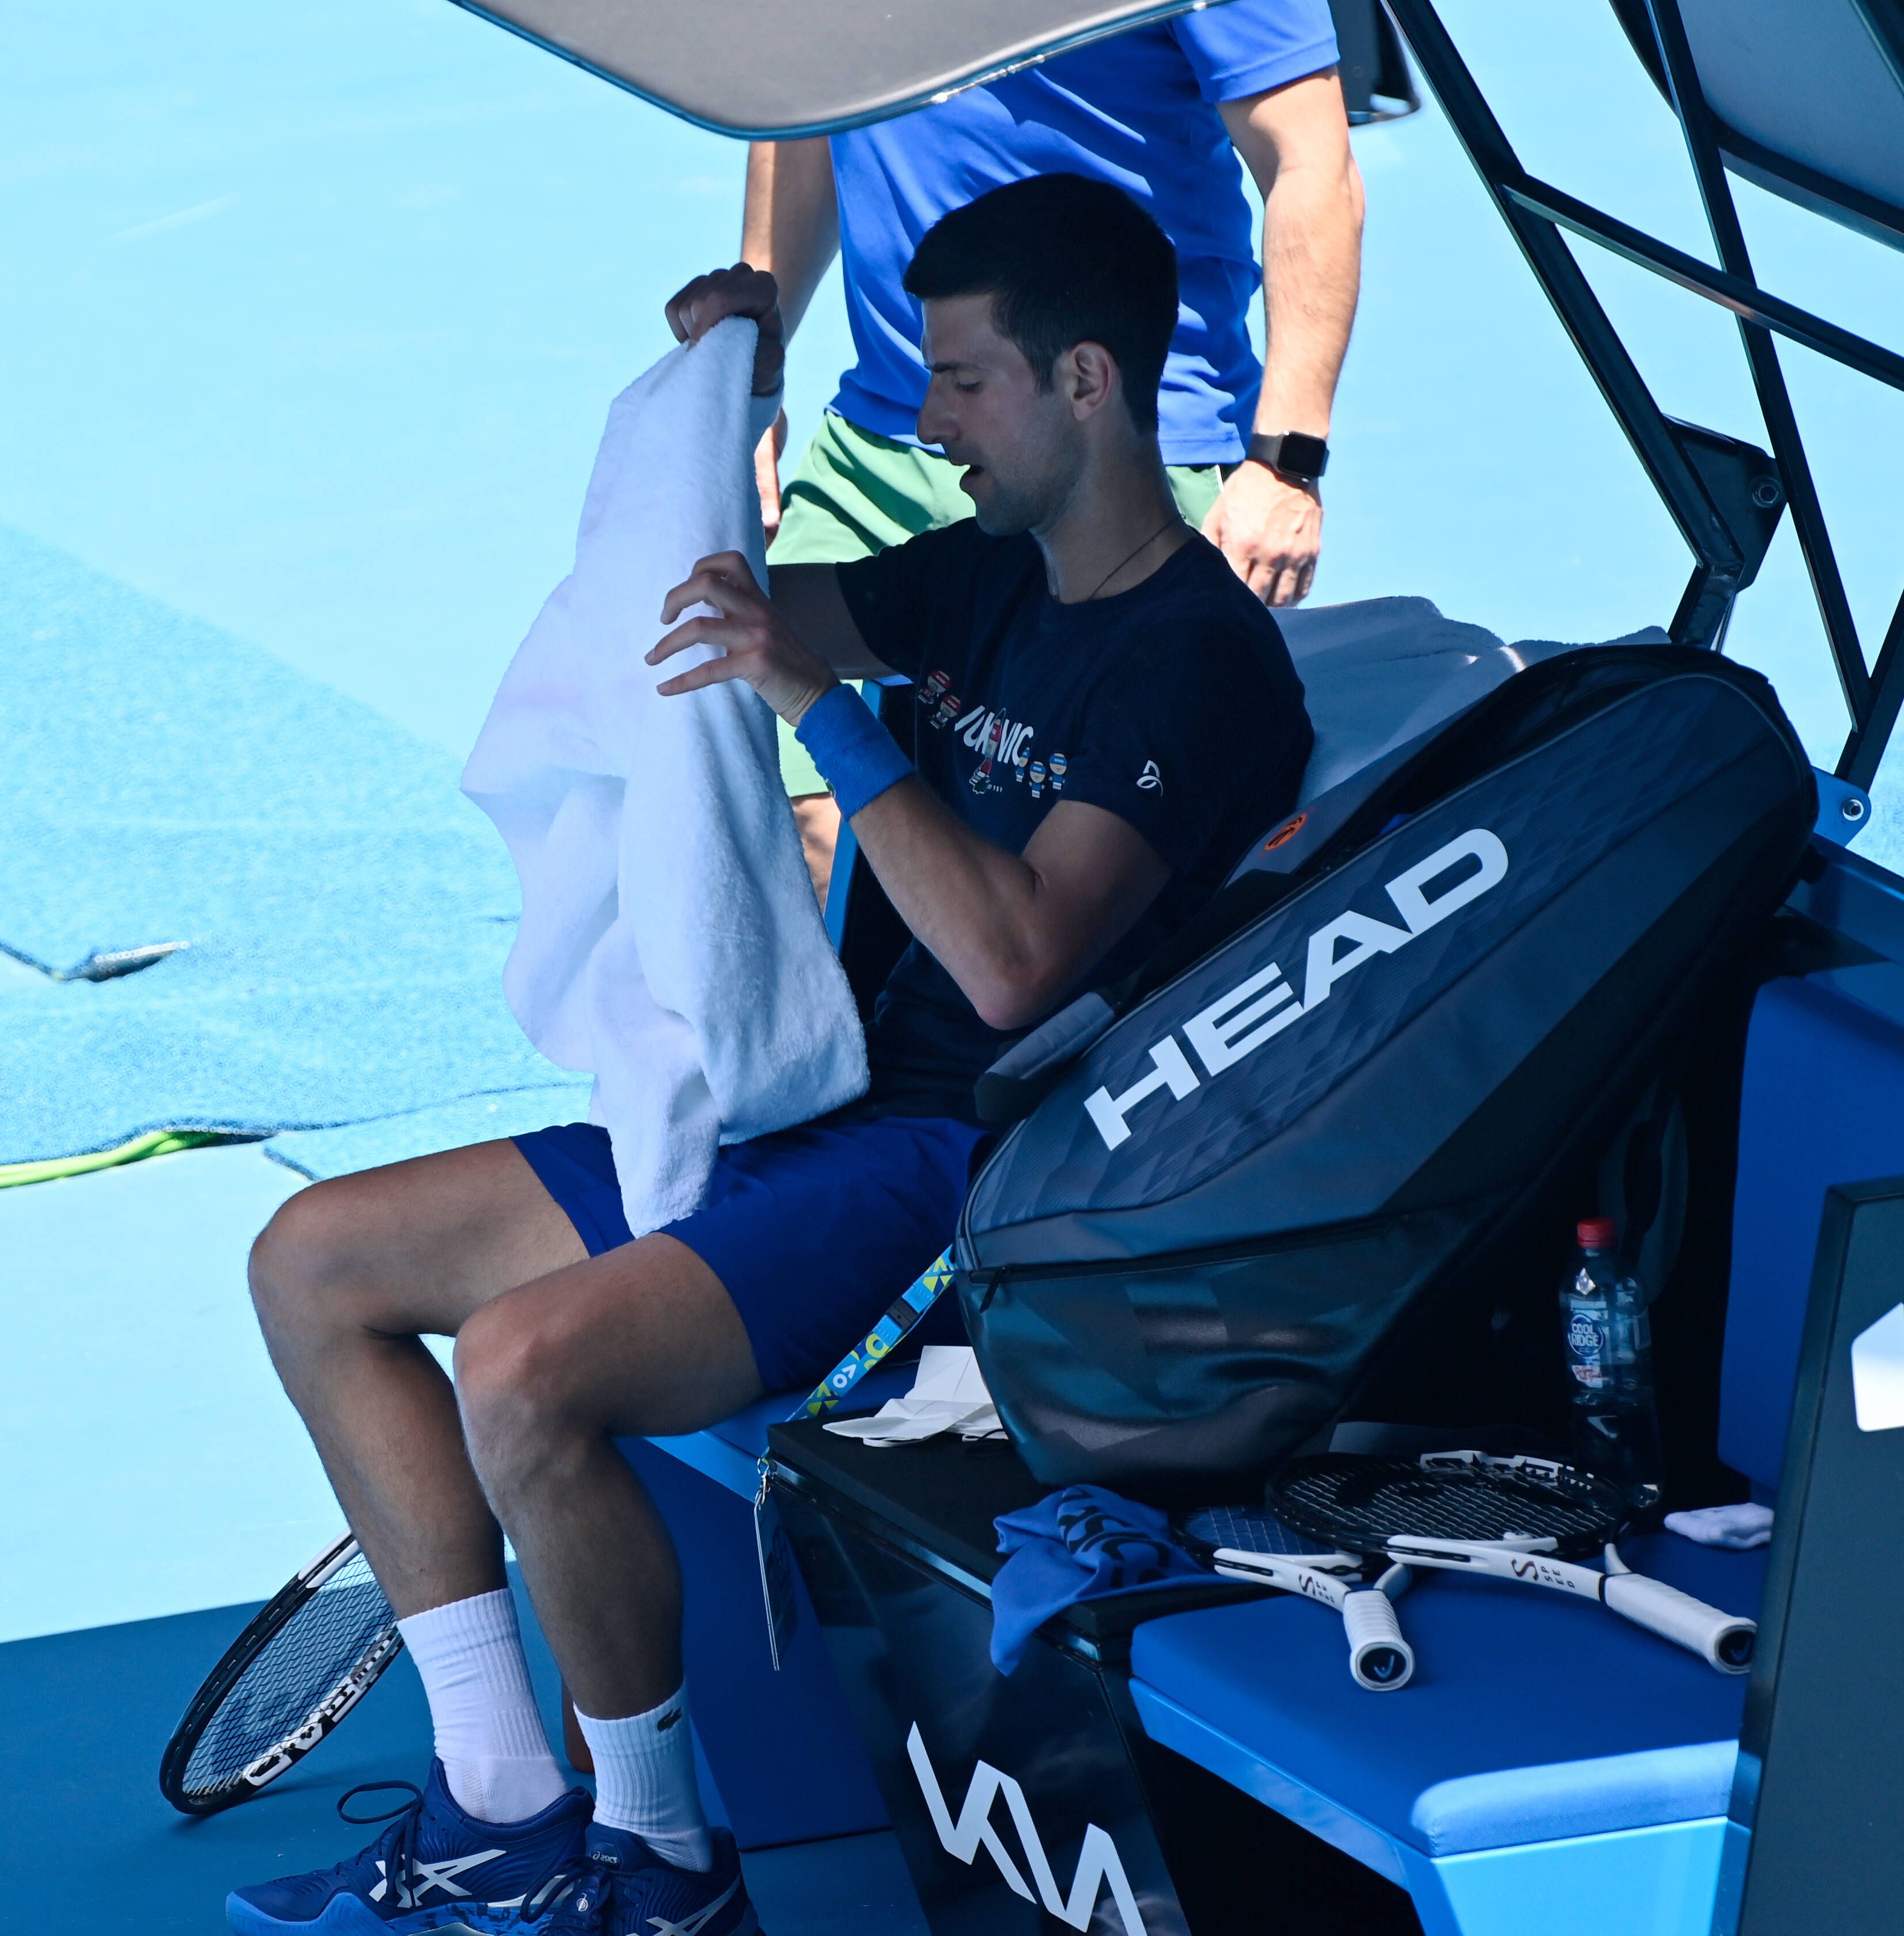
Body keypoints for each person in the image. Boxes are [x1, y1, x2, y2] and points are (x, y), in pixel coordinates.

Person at [230, 175, 1312, 1936]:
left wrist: (821, 706)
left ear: (1085, 381)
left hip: (976, 1171)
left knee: (520, 1370)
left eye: (962, 382)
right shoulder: (986, 577)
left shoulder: (1194, 664)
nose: (930, 422)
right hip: (814, 1106)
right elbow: (702, 604)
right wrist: (730, 392)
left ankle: (662, 1861)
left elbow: (1016, 963)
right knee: (312, 1262)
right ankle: (499, 1804)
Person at [748, 0, 1362, 880]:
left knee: (1074, 868)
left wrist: (1287, 461)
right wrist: (752, 362)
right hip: (881, 448)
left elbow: (1309, 159)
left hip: (1113, 461)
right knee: (788, 820)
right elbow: (804, 90)